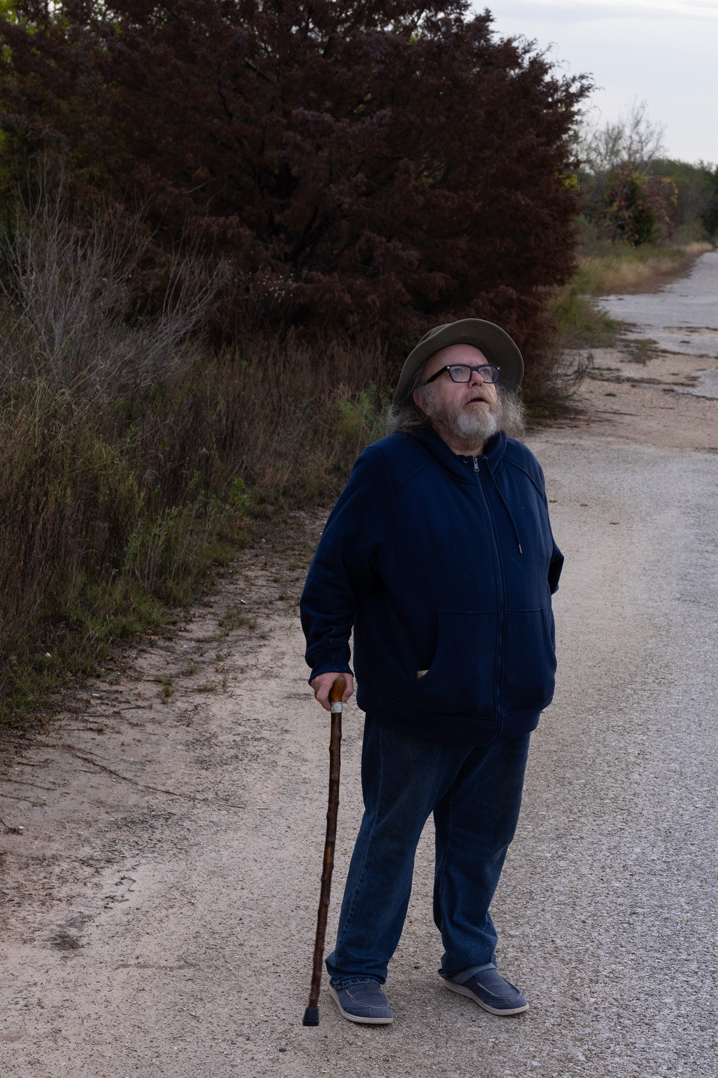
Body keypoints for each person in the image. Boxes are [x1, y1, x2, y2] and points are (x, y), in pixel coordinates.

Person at [300, 318, 564, 1025]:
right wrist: (329, 657)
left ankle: (470, 958)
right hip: (418, 700)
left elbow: (542, 567)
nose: (479, 381)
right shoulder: (388, 470)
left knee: (481, 843)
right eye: (458, 372)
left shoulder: (521, 466)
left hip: (509, 702)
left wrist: (524, 640)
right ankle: (356, 967)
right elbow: (333, 577)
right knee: (391, 835)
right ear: (422, 398)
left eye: (485, 372)